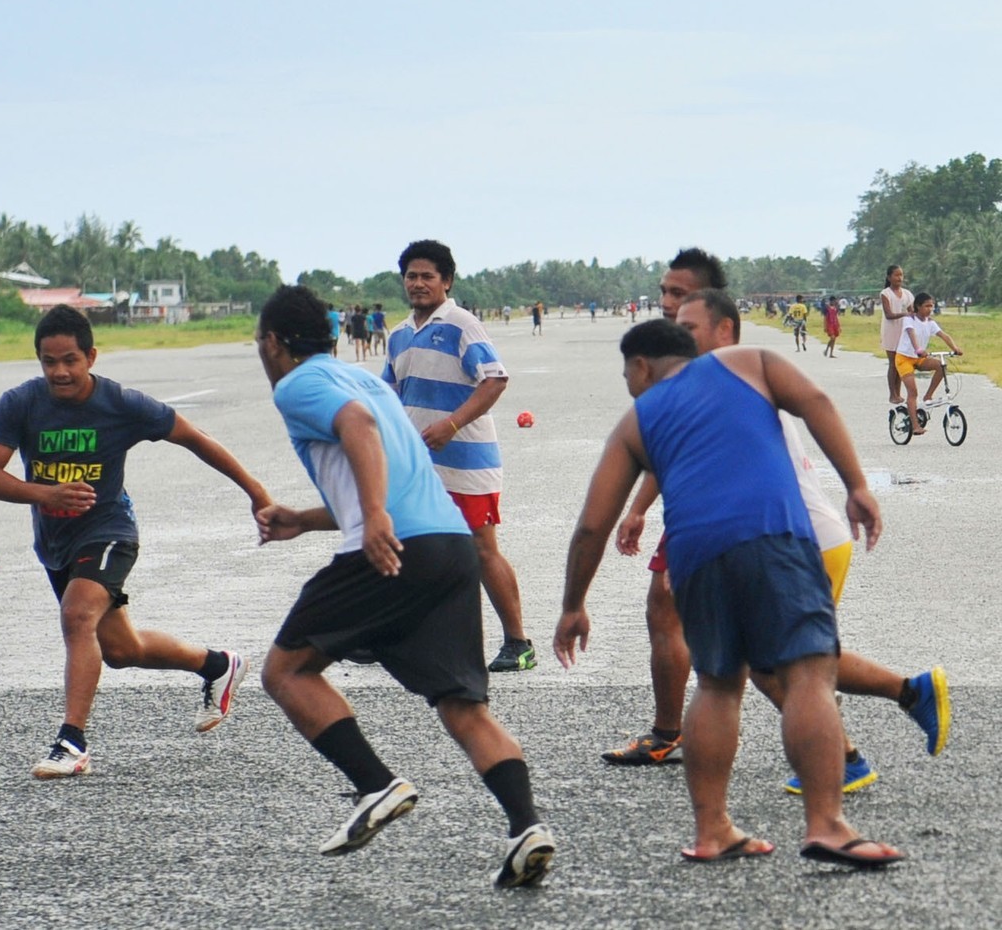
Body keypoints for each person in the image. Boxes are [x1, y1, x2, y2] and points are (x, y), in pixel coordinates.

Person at [556, 319, 905, 868]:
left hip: (694, 559)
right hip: (773, 535)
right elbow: (816, 401)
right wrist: (856, 485)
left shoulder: (634, 423)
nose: (630, 386)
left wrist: (573, 605)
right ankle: (827, 825)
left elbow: (591, 527)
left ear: (641, 366)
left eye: (627, 376)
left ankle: (712, 830)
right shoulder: (750, 362)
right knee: (807, 673)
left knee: (718, 683)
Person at [252, 284, 555, 888]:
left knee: (286, 672)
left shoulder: (299, 385)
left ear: (274, 343)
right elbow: (384, 466)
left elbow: (357, 429)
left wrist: (372, 517)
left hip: (394, 551)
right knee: (462, 706)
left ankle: (375, 784)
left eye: (260, 343)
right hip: (449, 546)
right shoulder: (365, 381)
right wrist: (307, 519)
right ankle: (527, 827)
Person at [0, 304, 271, 779]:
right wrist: (46, 494)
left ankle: (71, 743)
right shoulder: (21, 403)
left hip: (110, 530)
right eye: (49, 362)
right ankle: (218, 665)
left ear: (91, 356)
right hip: (56, 542)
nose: (60, 371)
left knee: (77, 616)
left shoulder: (121, 404)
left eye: (70, 360)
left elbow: (195, 438)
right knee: (121, 650)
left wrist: (257, 493)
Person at [671, 290, 950, 791]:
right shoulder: (735, 381)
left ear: (723, 330)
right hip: (805, 538)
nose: (677, 336)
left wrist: (858, 487)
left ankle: (853, 748)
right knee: (785, 658)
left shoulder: (726, 387)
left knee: (781, 663)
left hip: (803, 541)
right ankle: (891, 710)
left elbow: (810, 411)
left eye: (687, 326)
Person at [600, 247, 727, 764]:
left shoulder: (704, 363)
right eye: (664, 291)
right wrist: (639, 507)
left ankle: (668, 732)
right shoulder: (694, 357)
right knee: (756, 640)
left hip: (714, 510)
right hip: (706, 509)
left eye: (679, 293)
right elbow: (671, 447)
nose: (667, 302)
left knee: (754, 646)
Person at [384, 240, 535, 674]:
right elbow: (389, 395)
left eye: (427, 276)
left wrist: (451, 425)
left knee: (482, 550)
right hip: (419, 465)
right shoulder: (398, 335)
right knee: (410, 546)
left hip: (467, 462)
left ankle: (519, 643)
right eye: (411, 276)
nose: (418, 283)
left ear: (446, 281)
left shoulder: (462, 324)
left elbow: (495, 379)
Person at [894, 293, 964, 436]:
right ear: (918, 306)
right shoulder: (909, 319)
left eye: (932, 306)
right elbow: (911, 334)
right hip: (904, 358)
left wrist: (955, 348)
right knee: (913, 392)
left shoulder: (930, 322)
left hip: (919, 358)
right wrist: (918, 349)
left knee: (941, 366)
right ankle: (915, 426)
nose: (930, 309)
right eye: (927, 306)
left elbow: (944, 335)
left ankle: (928, 396)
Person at [881, 265, 914, 404]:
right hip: (890, 331)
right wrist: (905, 314)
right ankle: (892, 394)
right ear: (889, 277)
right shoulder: (886, 294)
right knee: (893, 364)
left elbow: (912, 312)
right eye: (896, 275)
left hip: (903, 332)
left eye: (901, 275)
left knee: (900, 363)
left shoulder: (907, 294)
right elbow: (888, 315)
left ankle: (898, 393)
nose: (899, 278)